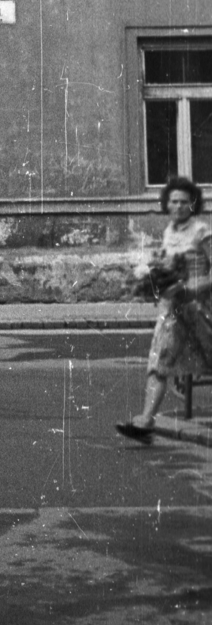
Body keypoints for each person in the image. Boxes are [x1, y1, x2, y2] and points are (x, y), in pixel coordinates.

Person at [118, 176, 212, 442]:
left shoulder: (203, 232)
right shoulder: (170, 231)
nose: (179, 206)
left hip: (199, 308)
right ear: (166, 204)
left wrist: (193, 288)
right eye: (174, 201)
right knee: (159, 361)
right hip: (172, 308)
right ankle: (146, 420)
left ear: (193, 205)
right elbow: (167, 266)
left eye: (184, 202)